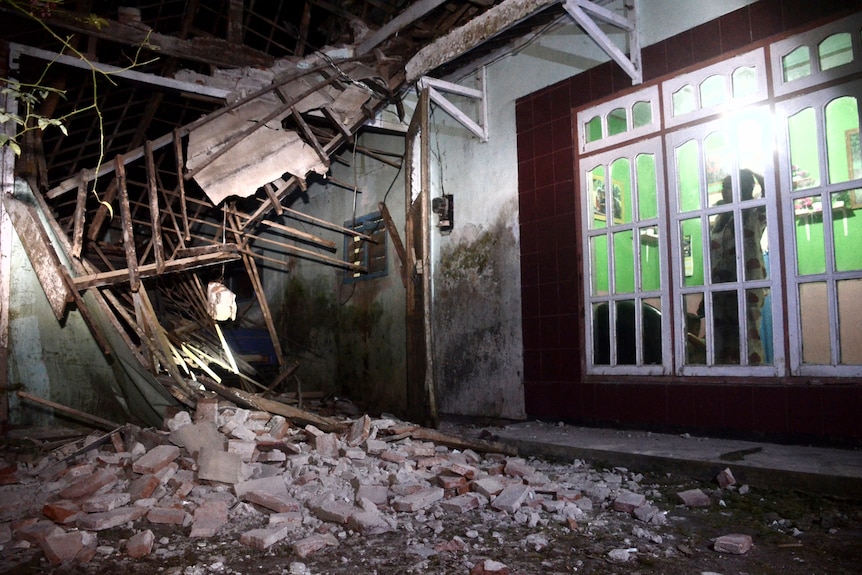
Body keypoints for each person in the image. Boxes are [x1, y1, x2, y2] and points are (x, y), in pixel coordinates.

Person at [706, 169, 768, 364]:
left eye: (730, 187)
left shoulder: (754, 213)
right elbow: (712, 258)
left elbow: (772, 190)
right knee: (721, 338)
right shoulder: (718, 220)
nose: (725, 192)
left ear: (743, 188)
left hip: (747, 284)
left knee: (747, 335)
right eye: (724, 188)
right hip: (719, 288)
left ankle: (754, 379)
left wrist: (751, 172)